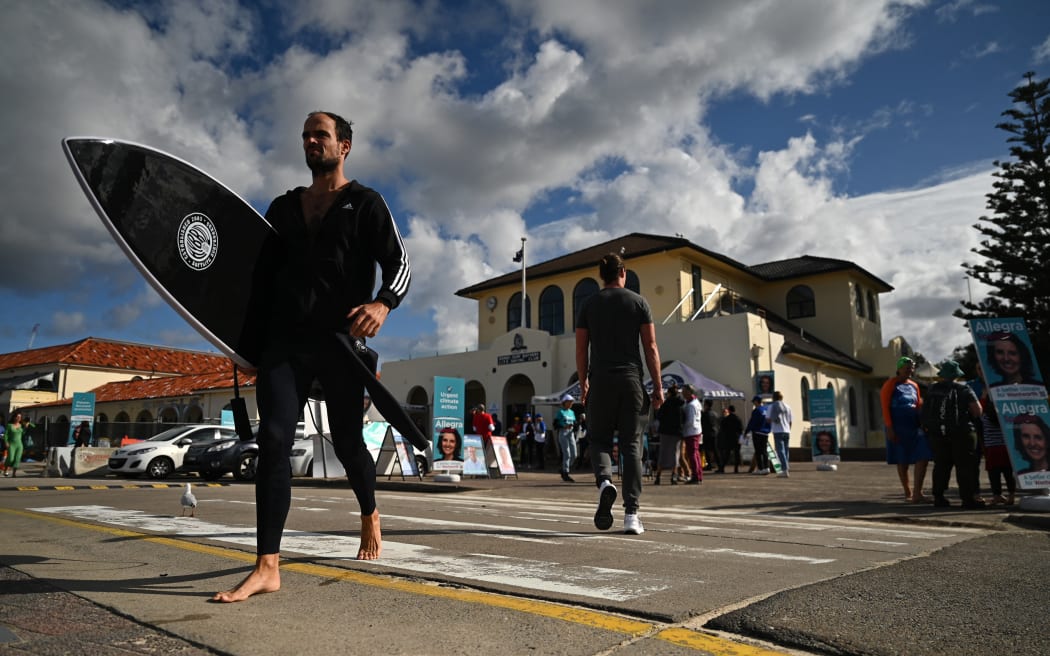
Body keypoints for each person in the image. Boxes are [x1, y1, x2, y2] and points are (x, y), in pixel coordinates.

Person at [212, 111, 412, 603]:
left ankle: (368, 510)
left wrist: (382, 303)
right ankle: (267, 565)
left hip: (340, 343)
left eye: (320, 135)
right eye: (305, 134)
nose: (310, 141)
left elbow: (399, 262)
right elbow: (257, 284)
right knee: (275, 438)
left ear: (344, 146)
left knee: (347, 442)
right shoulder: (281, 208)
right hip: (284, 342)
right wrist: (246, 345)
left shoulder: (365, 203)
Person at [576, 252, 664, 535]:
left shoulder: (588, 304)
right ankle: (631, 515)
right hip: (631, 382)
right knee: (632, 446)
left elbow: (580, 349)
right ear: (622, 272)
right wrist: (659, 387)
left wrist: (583, 383)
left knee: (599, 440)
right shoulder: (639, 302)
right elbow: (650, 348)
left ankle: (604, 482)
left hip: (600, 381)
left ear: (602, 275)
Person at [922, 360, 983, 509]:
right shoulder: (964, 389)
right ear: (957, 374)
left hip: (938, 434)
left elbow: (924, 411)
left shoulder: (931, 390)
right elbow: (977, 410)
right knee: (965, 466)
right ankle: (967, 499)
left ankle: (939, 497)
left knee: (941, 466)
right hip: (962, 433)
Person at [881, 356, 932, 503]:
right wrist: (890, 427)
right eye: (906, 368)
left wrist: (922, 421)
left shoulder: (913, 385)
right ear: (899, 369)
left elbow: (917, 404)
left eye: (911, 368)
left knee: (923, 455)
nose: (909, 370)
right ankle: (908, 492)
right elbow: (885, 406)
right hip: (897, 425)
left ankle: (918, 492)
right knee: (902, 459)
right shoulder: (891, 384)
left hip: (914, 425)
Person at [981, 400, 1015, 505]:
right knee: (1008, 473)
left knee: (994, 474)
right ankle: (1011, 495)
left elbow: (979, 410)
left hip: (992, 449)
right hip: (1006, 448)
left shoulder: (984, 418)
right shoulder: (1006, 417)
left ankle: (997, 495)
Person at [654, 384, 685, 485]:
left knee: (663, 453)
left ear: (670, 393)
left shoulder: (666, 404)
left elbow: (659, 416)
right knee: (675, 454)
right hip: (677, 432)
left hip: (665, 431)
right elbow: (684, 418)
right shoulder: (681, 405)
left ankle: (658, 476)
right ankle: (673, 476)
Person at [681, 384, 704, 484]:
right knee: (695, 453)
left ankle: (696, 475)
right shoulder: (695, 403)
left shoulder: (691, 405)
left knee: (693, 454)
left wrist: (682, 427)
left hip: (691, 432)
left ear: (689, 392)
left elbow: (690, 420)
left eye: (684, 391)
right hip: (695, 430)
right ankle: (698, 474)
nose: (682, 393)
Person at [768, 391, 793, 478]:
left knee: (780, 451)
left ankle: (784, 470)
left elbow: (768, 419)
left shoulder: (772, 406)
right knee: (786, 451)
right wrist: (789, 429)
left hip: (778, 430)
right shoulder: (788, 407)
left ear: (773, 398)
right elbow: (790, 421)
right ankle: (786, 468)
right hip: (787, 430)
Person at [553, 394, 578, 482]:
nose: (571, 403)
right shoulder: (560, 412)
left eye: (572, 402)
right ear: (565, 402)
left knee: (574, 454)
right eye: (570, 402)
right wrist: (564, 426)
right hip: (563, 433)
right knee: (567, 454)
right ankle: (566, 473)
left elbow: (575, 423)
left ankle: (564, 469)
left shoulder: (572, 412)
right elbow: (555, 424)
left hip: (571, 433)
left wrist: (575, 426)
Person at [745, 396, 771, 475]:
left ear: (756, 401)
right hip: (765, 433)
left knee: (758, 451)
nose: (753, 403)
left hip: (757, 432)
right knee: (764, 451)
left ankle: (760, 468)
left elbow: (752, 422)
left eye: (754, 402)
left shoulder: (756, 411)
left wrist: (746, 431)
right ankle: (766, 468)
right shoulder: (766, 409)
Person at [3, 411, 34, 478]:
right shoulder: (9, 425)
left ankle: (14, 473)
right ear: (14, 417)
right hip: (11, 444)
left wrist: (26, 426)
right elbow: (5, 435)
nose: (18, 418)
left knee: (17, 459)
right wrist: (6, 442)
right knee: (10, 458)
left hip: (19, 445)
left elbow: (23, 434)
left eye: (20, 417)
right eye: (17, 417)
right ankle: (5, 470)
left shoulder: (21, 425)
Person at [716, 405, 744, 473]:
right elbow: (741, 429)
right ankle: (736, 469)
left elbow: (722, 428)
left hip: (728, 438)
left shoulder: (726, 419)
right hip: (736, 438)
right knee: (736, 454)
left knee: (727, 454)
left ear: (729, 410)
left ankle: (722, 468)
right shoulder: (738, 419)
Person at [701, 399, 721, 473]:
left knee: (707, 450)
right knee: (715, 450)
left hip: (707, 433)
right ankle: (719, 465)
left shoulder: (705, 414)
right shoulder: (715, 414)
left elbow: (703, 424)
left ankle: (709, 465)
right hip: (715, 433)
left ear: (706, 405)